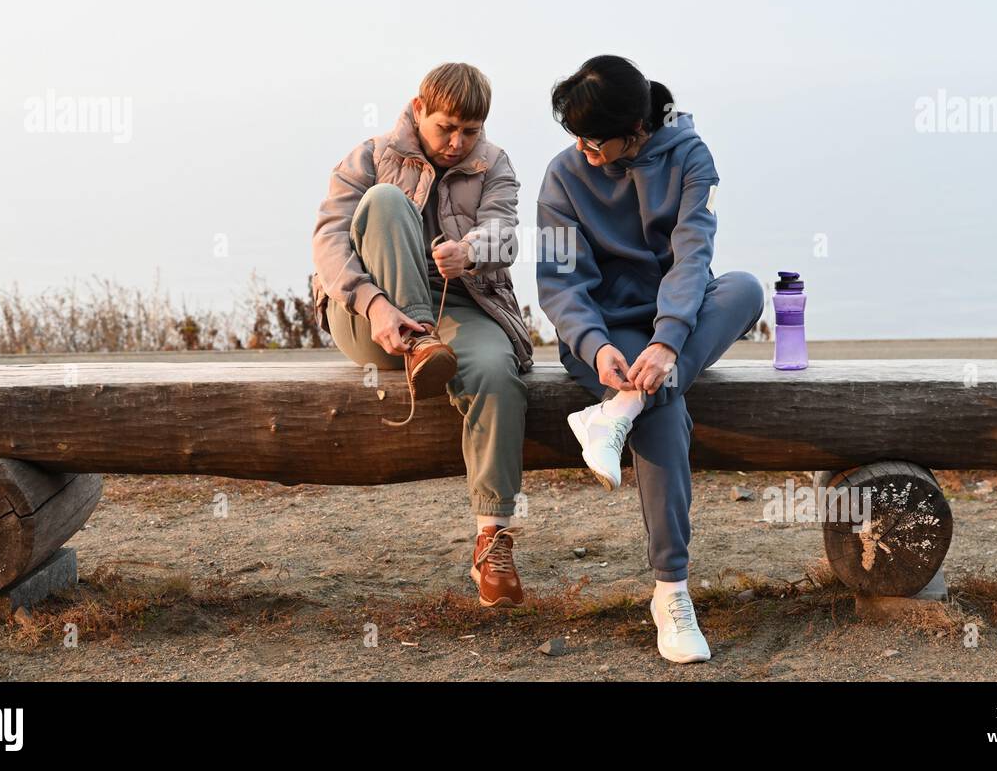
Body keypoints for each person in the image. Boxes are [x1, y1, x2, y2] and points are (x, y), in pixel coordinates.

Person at [536, 55, 764, 662]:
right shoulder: (563, 176)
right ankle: (671, 590)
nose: (582, 148)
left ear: (635, 129)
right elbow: (560, 285)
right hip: (605, 338)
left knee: (743, 287)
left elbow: (693, 256)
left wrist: (666, 341)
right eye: (574, 136)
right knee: (665, 411)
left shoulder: (689, 156)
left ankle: (618, 411)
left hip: (674, 326)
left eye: (594, 138)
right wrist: (599, 345)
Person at [311, 62, 534, 607]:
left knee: (496, 372)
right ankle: (416, 343)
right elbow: (329, 243)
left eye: (471, 131)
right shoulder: (369, 157)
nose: (458, 143)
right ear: (418, 110)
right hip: (369, 316)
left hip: (461, 305)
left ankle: (492, 539)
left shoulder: (496, 165)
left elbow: (506, 237)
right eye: (446, 128)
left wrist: (472, 252)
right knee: (386, 201)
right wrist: (377, 305)